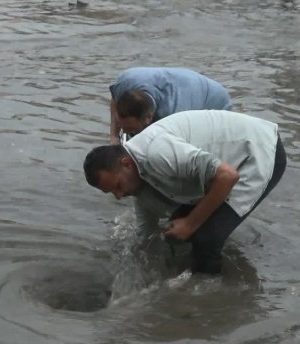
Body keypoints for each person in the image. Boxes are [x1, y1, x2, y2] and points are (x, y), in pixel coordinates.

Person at [83, 110, 287, 275]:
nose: (119, 196)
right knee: (176, 227)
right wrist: (134, 269)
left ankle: (209, 301)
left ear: (126, 164)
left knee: (206, 238)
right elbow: (146, 233)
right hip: (221, 166)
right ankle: (194, 273)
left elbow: (227, 176)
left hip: (257, 152)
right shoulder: (137, 177)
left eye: (118, 186)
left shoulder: (157, 152)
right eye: (111, 192)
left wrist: (190, 224)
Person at [108, 67, 233, 145]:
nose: (124, 131)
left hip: (215, 100)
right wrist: (114, 136)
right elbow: (115, 99)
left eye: (130, 129)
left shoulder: (174, 115)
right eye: (123, 126)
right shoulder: (125, 81)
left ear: (149, 117)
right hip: (182, 81)